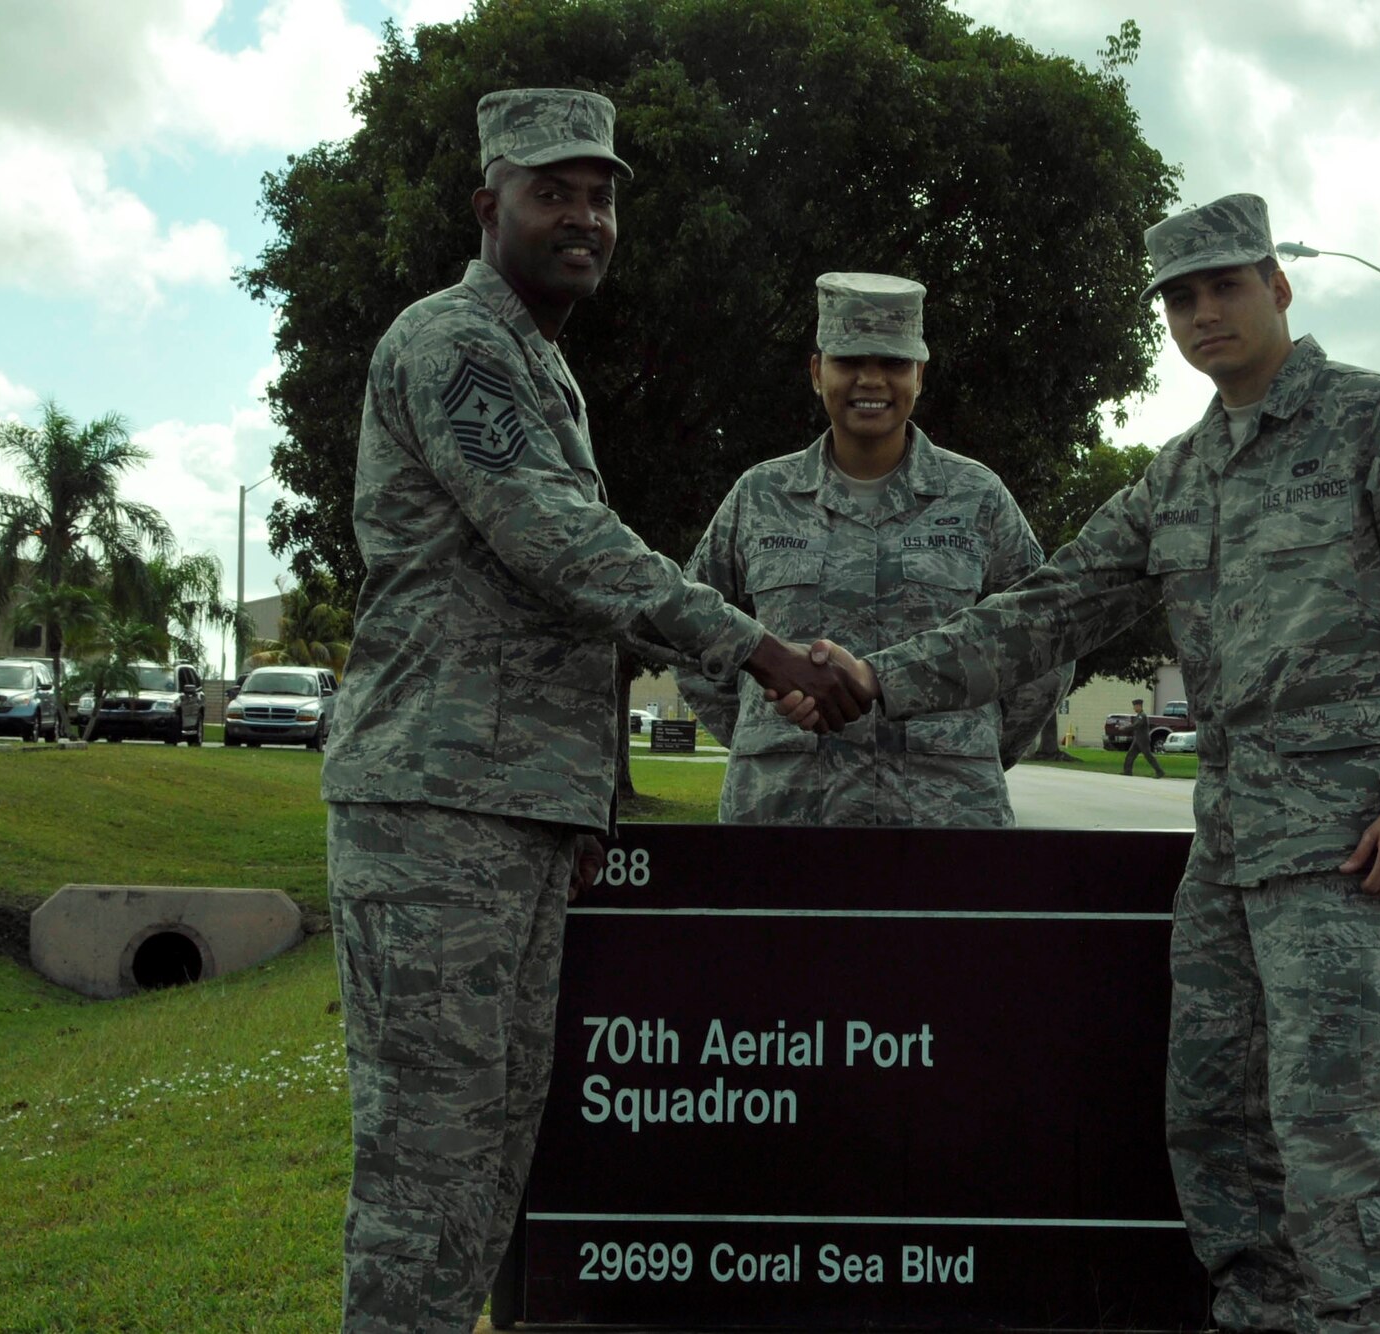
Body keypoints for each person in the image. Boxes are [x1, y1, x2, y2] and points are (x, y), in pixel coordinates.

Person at [777, 193, 1380, 1333]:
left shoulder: (1377, 424)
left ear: (1276, 287)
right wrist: (880, 677)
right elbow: (1047, 607)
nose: (1201, 313)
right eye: (1178, 297)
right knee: (1213, 1122)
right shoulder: (1179, 475)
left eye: (1224, 286)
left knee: (1334, 1132)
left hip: (1344, 847)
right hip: (1227, 849)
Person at [319, 87, 864, 1334]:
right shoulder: (452, 339)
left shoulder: (540, 366)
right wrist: (763, 647)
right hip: (436, 802)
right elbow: (557, 540)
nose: (582, 217)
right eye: (549, 192)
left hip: (513, 807)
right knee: (428, 1163)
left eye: (599, 195)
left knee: (494, 1150)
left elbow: (579, 580)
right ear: (487, 205)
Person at [675, 273, 1070, 826]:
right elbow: (688, 631)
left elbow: (1045, 639)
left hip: (947, 819)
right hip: (782, 814)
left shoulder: (978, 497)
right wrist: (758, 729)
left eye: (893, 363)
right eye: (850, 360)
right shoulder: (759, 496)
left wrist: (972, 743)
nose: (871, 379)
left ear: (919, 376)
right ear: (817, 372)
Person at [1123, 697, 1164, 778]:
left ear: (1139, 706)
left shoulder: (1142, 716)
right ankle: (1127, 771)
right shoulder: (1139, 715)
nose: (1134, 708)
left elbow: (1136, 725)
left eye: (1135, 706)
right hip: (1137, 739)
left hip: (1143, 740)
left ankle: (1159, 771)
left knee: (1148, 756)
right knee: (1130, 755)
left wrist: (1125, 728)